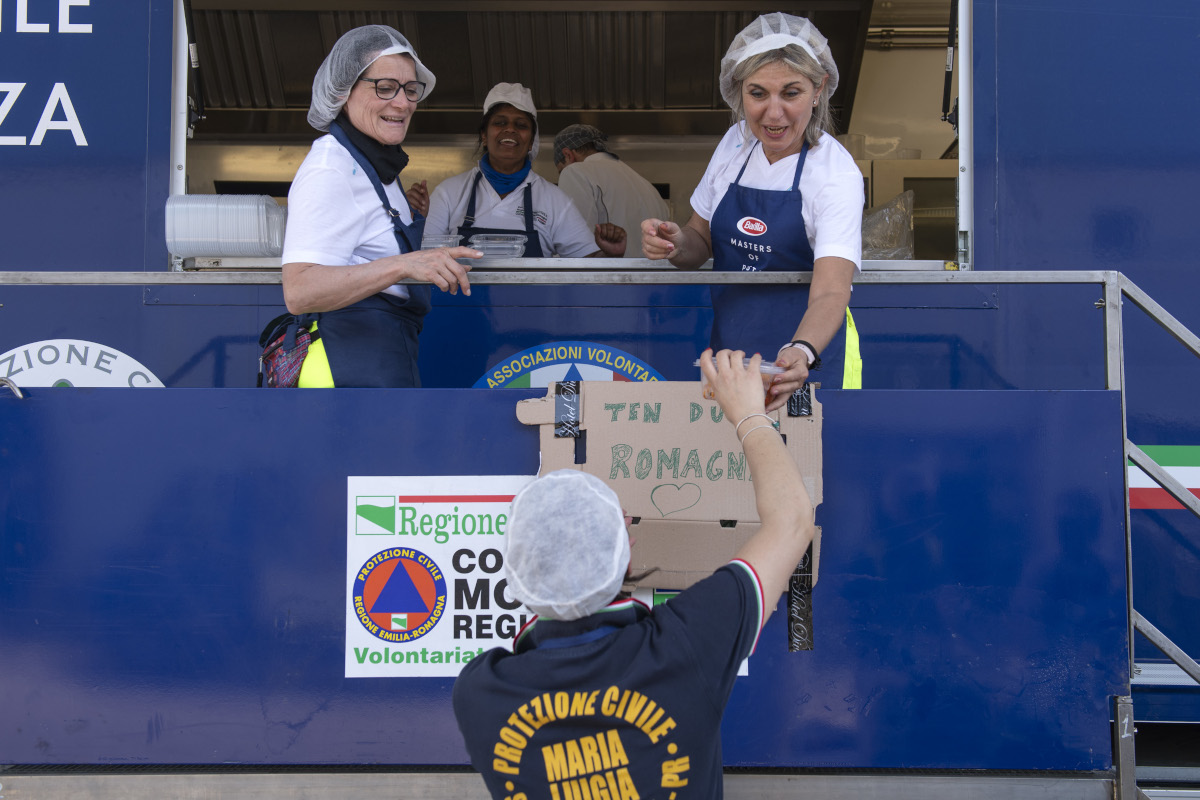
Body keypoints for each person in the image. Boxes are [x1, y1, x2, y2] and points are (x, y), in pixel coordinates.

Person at [452, 348, 815, 800]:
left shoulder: (482, 694)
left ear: (518, 568)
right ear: (626, 553)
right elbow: (793, 521)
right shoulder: (686, 644)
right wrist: (747, 414)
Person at [641, 13, 864, 408]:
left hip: (806, 358)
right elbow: (700, 241)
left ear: (819, 89)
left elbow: (831, 289)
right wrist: (675, 244)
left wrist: (802, 351)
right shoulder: (735, 144)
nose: (773, 114)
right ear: (738, 92)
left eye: (790, 93)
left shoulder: (835, 173)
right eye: (758, 94)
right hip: (733, 357)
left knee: (802, 467)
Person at [280, 25, 478, 388]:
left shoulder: (373, 165)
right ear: (344, 92)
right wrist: (405, 264)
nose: (402, 103)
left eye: (410, 89)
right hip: (346, 366)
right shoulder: (331, 168)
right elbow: (300, 290)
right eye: (384, 88)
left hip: (380, 355)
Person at [425, 83, 626, 258]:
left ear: (531, 142)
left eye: (520, 125)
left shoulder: (555, 200)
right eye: (500, 122)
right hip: (461, 303)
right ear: (484, 136)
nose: (510, 129)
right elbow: (425, 254)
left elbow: (586, 262)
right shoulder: (449, 193)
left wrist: (609, 253)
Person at [553, 124, 670, 259]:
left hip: (608, 278)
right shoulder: (649, 188)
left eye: (560, 170)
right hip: (652, 278)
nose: (562, 174)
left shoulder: (575, 172)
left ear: (568, 155)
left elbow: (575, 246)